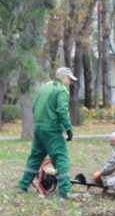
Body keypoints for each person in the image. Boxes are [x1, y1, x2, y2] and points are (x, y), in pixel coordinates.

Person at [17, 66, 76, 199]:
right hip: (52, 129)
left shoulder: (44, 87)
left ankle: (23, 186)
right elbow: (62, 110)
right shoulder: (61, 89)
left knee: (35, 157)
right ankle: (64, 192)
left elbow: (34, 106)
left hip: (38, 128)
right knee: (62, 158)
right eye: (70, 79)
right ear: (63, 77)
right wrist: (68, 128)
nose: (71, 82)